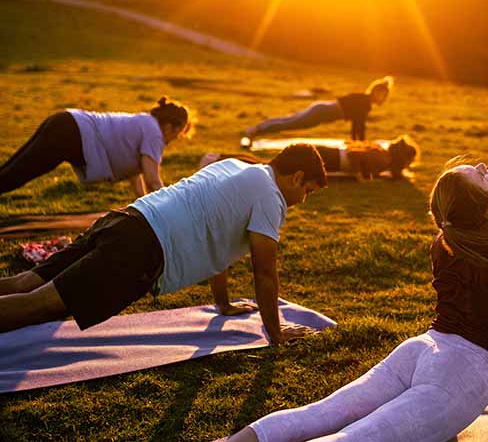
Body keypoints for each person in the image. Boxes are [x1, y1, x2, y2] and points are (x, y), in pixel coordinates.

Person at [139, 158, 488, 442]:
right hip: (463, 372)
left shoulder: (447, 240)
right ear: (483, 204)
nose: (481, 164)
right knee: (356, 441)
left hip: (423, 348)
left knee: (321, 413)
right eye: (477, 173)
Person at [0, 144, 327, 343]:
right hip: (138, 249)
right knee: (39, 304)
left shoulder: (239, 168)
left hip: (124, 219)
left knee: (27, 282)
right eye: (308, 191)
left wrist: (223, 304)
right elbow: (265, 274)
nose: (304, 199)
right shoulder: (270, 197)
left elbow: (219, 249)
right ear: (296, 177)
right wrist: (277, 332)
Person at [0, 96, 193, 199]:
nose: (176, 138)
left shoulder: (145, 123)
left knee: (13, 169)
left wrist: (142, 204)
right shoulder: (154, 133)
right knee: (15, 175)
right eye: (178, 132)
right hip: (71, 132)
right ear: (169, 126)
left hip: (66, 122)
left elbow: (136, 174)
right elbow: (153, 181)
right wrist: (169, 208)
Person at [242, 76, 394, 144]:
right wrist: (360, 144)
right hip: (321, 112)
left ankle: (256, 129)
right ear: (375, 91)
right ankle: (255, 130)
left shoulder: (364, 100)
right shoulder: (364, 102)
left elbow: (357, 126)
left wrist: (358, 142)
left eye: (384, 96)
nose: (381, 98)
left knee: (289, 121)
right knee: (290, 123)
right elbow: (358, 125)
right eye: (380, 94)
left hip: (320, 110)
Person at [208, 135, 419, 181]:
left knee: (269, 166)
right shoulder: (384, 159)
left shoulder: (383, 153)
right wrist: (362, 176)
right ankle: (218, 159)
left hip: (330, 154)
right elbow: (356, 157)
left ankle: (220, 158)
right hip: (328, 157)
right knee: (269, 167)